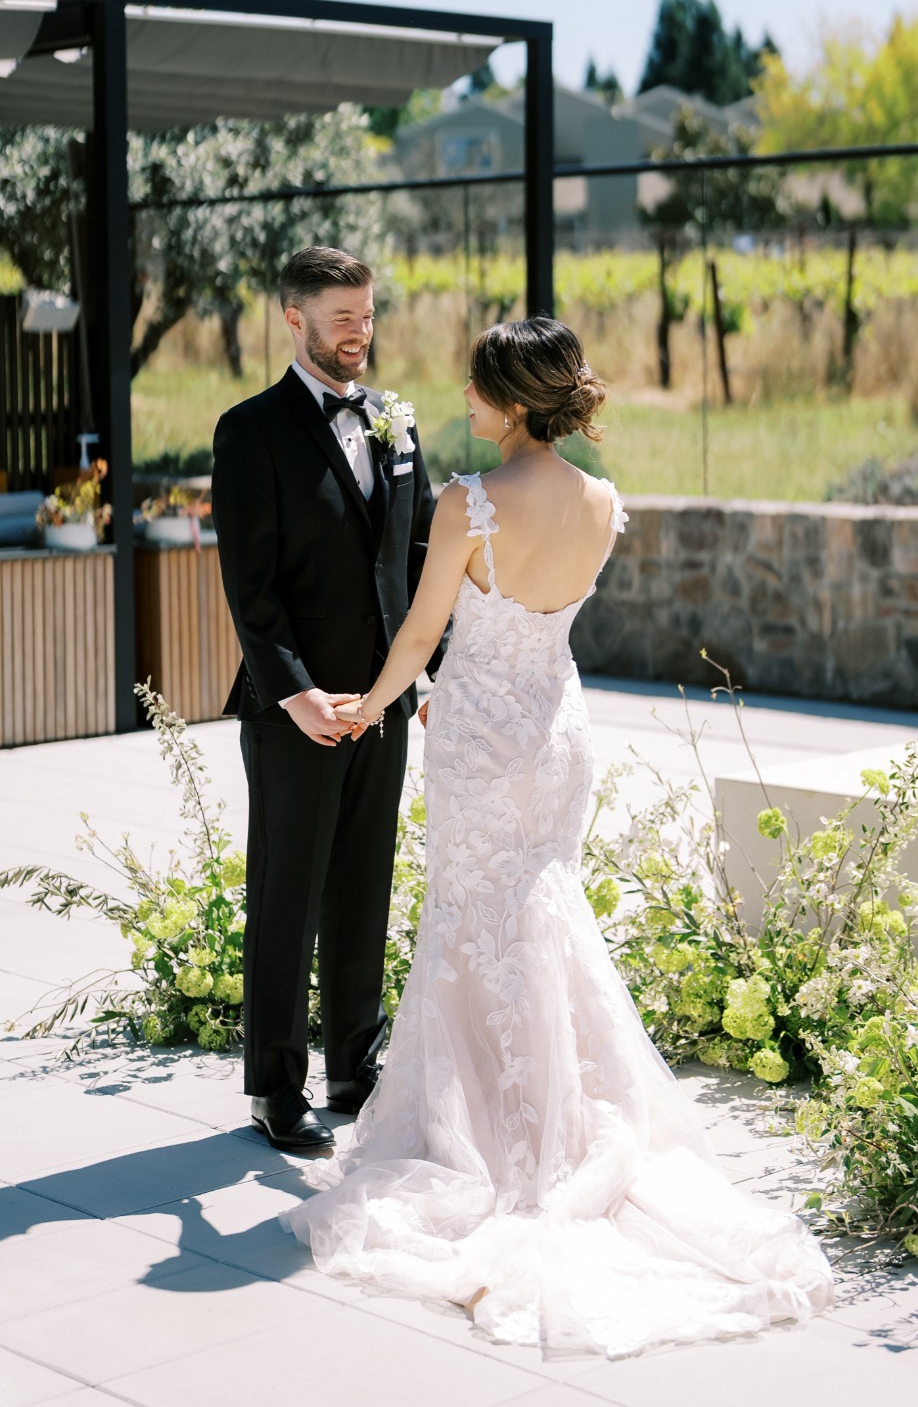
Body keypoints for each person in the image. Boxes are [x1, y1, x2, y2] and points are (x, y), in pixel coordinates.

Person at [284, 316, 832, 1357]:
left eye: (477, 392)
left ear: (516, 402)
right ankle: (563, 1117)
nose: (465, 406)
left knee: (472, 919)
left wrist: (369, 706)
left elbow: (419, 632)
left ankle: (496, 1140)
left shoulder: (468, 501)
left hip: (483, 736)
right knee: (540, 907)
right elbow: (541, 618)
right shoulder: (602, 499)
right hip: (558, 730)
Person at [210, 246, 439, 1154]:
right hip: (294, 711)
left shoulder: (396, 421)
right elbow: (248, 587)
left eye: (368, 315)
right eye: (341, 317)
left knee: (363, 886)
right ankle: (276, 1087)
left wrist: (422, 677)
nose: (359, 333)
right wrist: (296, 692)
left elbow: (420, 560)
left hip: (382, 703)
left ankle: (356, 1065)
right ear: (292, 318)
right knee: (286, 893)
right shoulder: (250, 430)